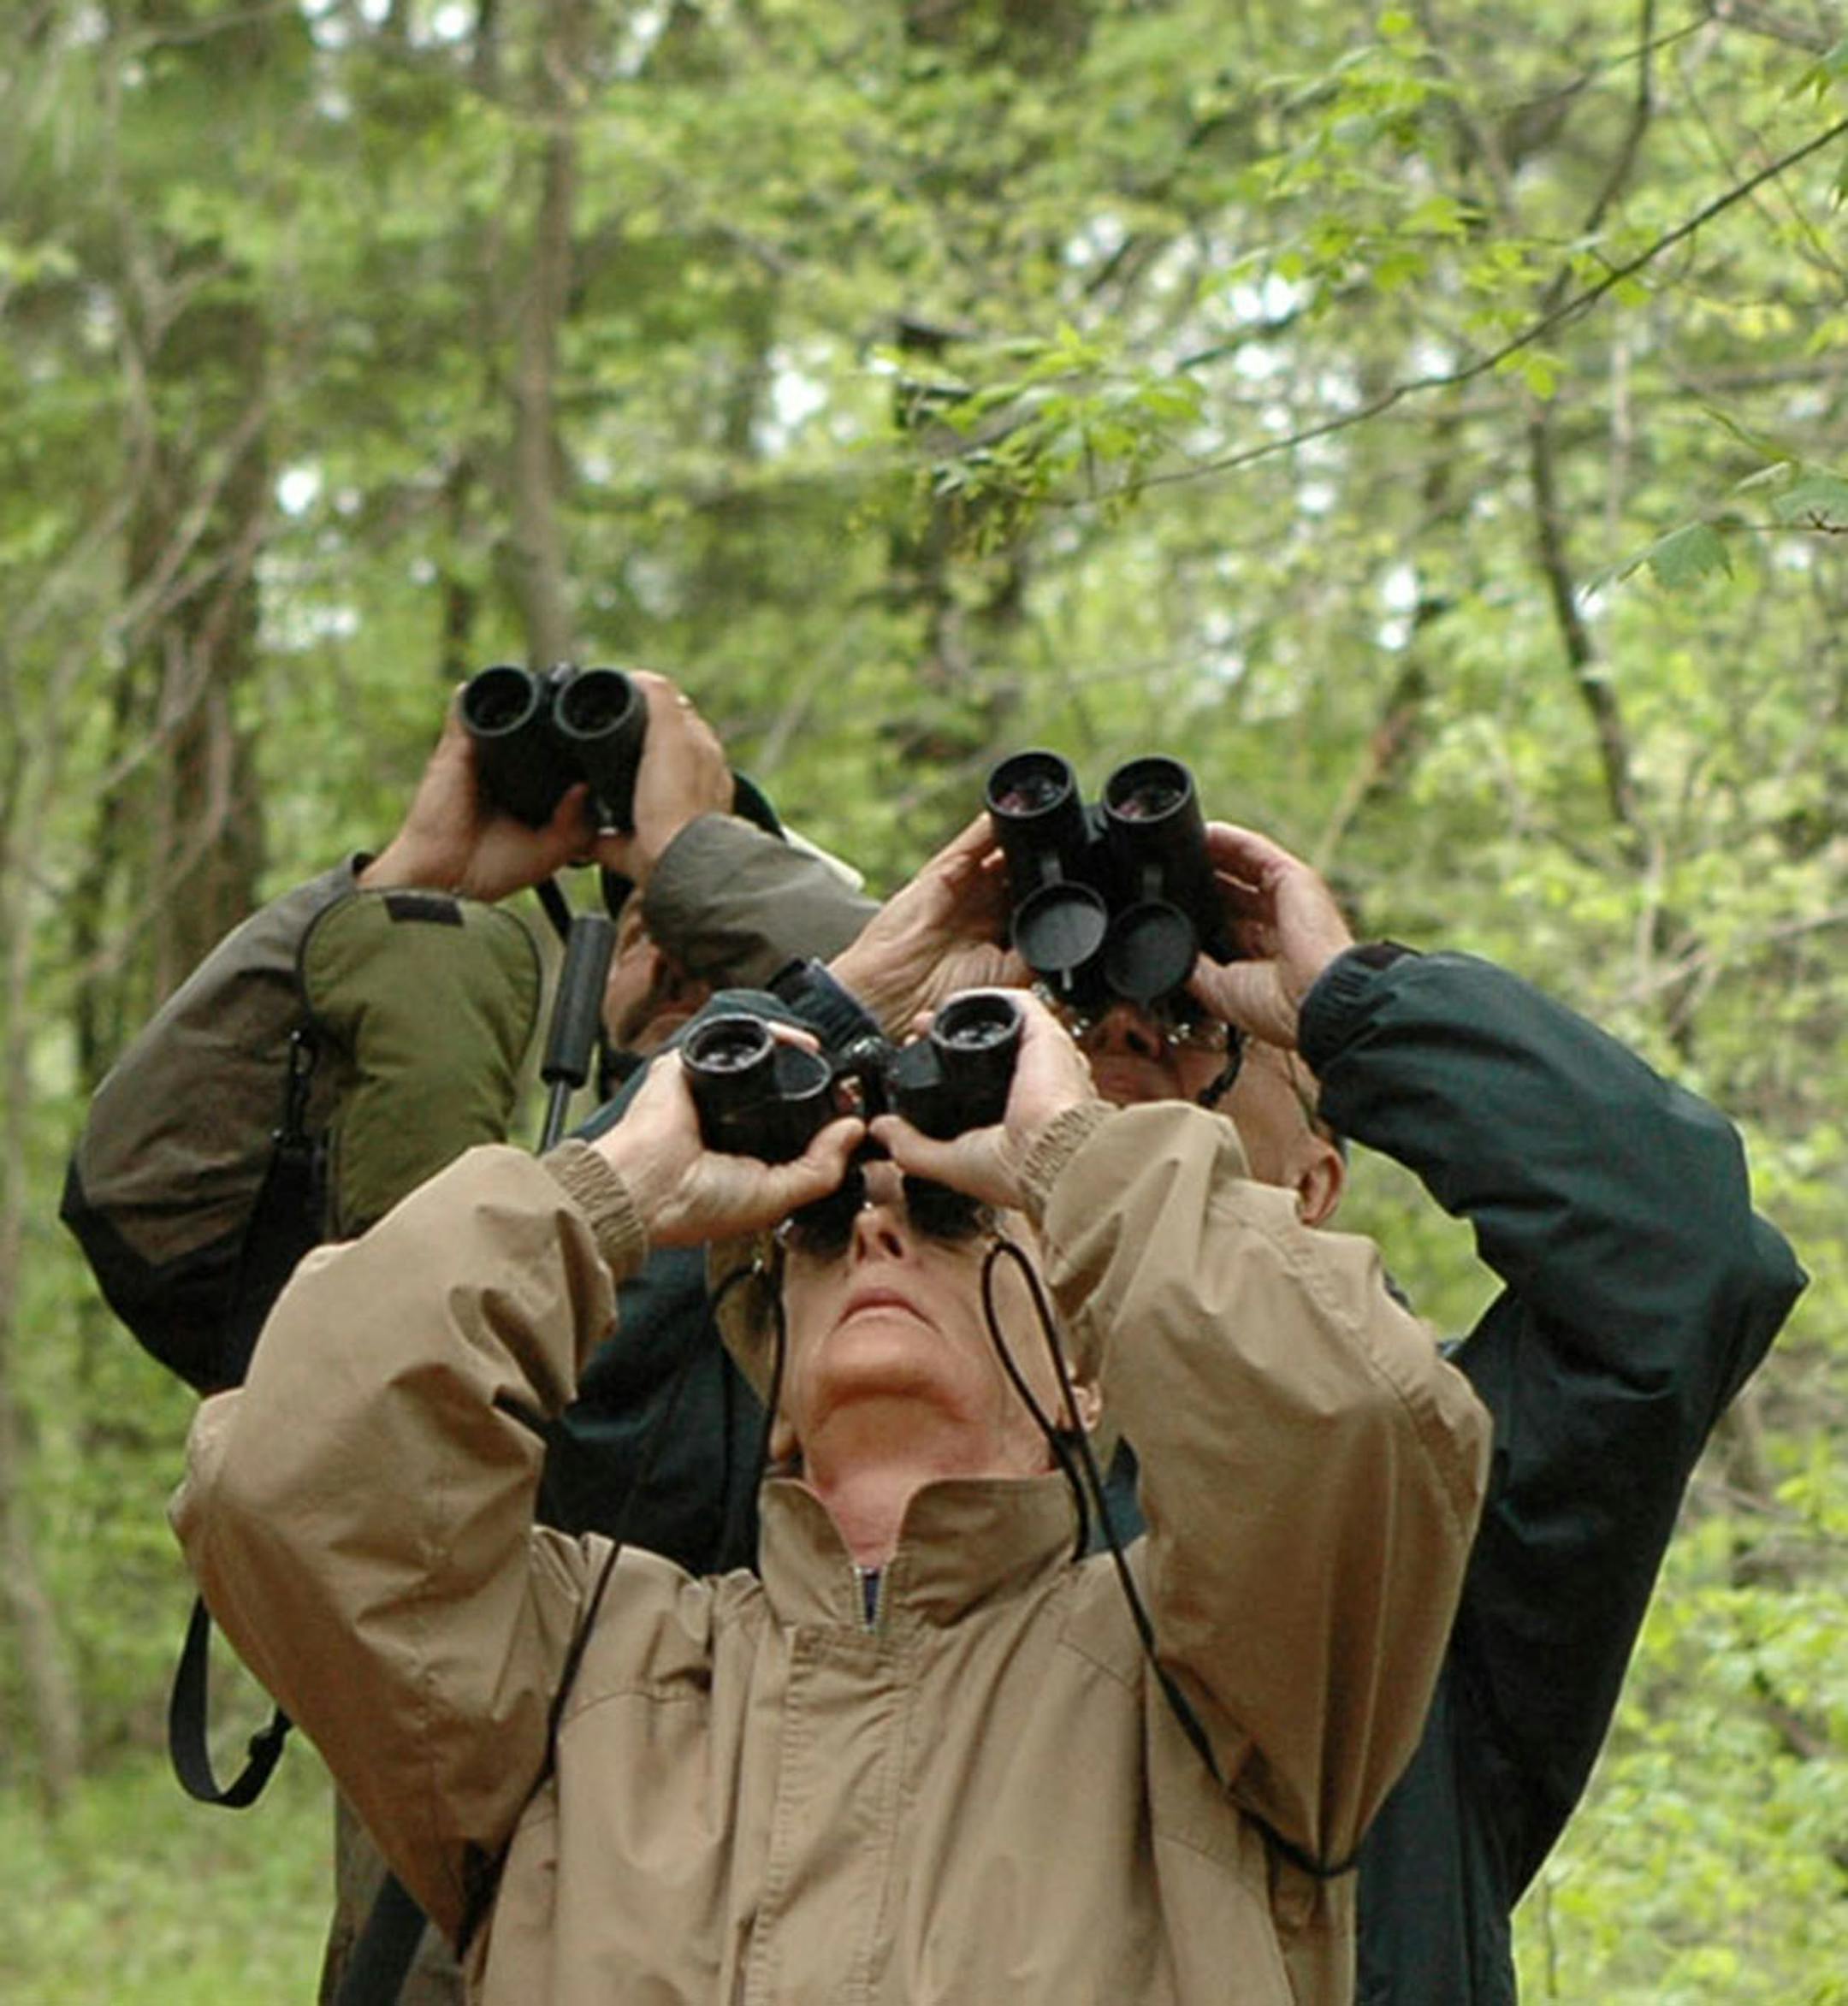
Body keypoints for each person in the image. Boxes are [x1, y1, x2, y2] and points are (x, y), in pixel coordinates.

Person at [172, 988, 1493, 2003]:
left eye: (951, 1213)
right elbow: (285, 1478)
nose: (871, 1228)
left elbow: (1359, 1420)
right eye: (816, 1227)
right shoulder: (583, 1673)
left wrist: (1071, 1153)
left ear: (1087, 1376)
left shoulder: (1212, 1678)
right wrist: (607, 1192)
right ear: (776, 1382)